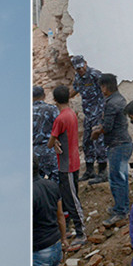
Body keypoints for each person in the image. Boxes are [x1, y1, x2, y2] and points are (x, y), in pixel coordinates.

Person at [91, 74, 133, 226]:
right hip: (122, 144)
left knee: (116, 179)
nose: (101, 89)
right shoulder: (118, 98)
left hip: (118, 145)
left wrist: (95, 132)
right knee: (121, 178)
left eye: (102, 86)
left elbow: (107, 127)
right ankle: (121, 207)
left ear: (107, 86)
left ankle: (121, 212)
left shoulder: (112, 103)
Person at [49, 85, 86, 248]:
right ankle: (71, 228)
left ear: (55, 100)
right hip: (73, 161)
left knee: (71, 200)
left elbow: (52, 139)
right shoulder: (71, 114)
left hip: (66, 165)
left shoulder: (60, 118)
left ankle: (81, 232)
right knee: (69, 197)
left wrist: (53, 143)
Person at [70, 56, 106, 182]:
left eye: (81, 66)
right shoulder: (78, 78)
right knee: (87, 141)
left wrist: (104, 112)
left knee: (99, 142)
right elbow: (75, 89)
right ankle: (90, 170)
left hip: (99, 113)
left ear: (86, 63)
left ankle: (102, 172)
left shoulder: (95, 75)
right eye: (78, 68)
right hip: (88, 114)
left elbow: (106, 91)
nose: (80, 70)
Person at [32, 86, 59, 183]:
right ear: (44, 95)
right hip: (49, 151)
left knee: (36, 183)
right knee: (55, 182)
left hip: (33, 153)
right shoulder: (52, 109)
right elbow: (59, 128)